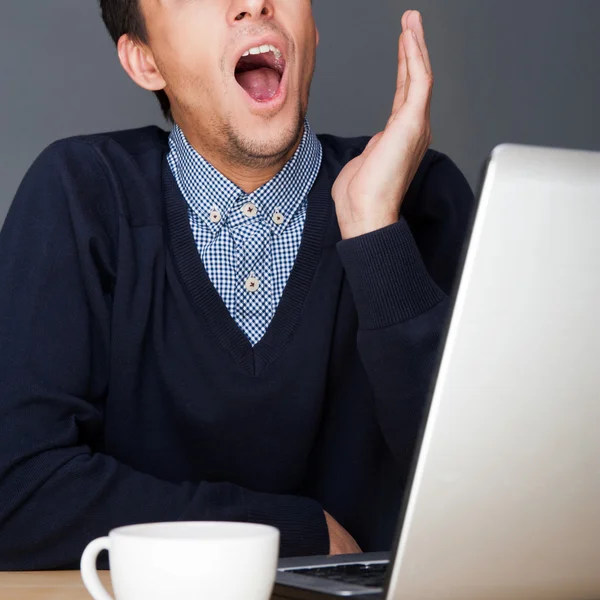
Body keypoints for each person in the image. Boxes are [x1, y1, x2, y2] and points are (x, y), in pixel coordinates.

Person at [0, 0, 474, 569]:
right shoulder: (81, 194)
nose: (252, 3)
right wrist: (288, 532)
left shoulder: (419, 197)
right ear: (146, 61)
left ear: (312, 31)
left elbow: (483, 499)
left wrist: (374, 228)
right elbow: (17, 491)